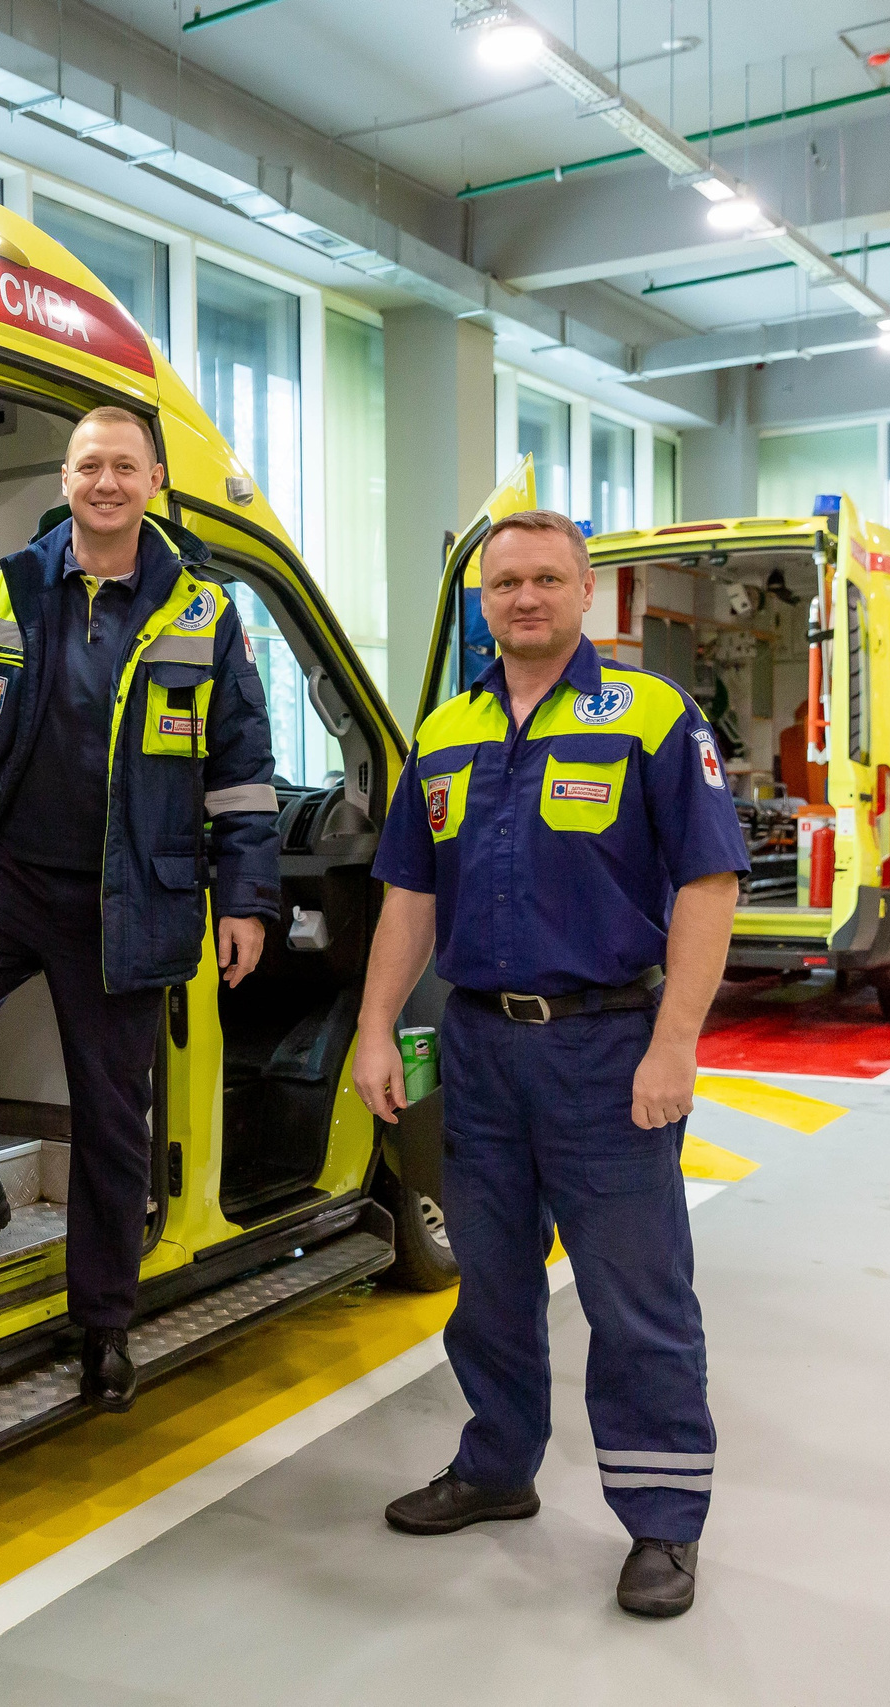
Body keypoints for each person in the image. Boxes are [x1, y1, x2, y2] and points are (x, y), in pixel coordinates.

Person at [349, 509, 746, 1619]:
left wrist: (675, 1046)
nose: (523, 597)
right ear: (483, 601)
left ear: (583, 595)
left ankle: (663, 1520)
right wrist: (377, 1028)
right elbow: (409, 897)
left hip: (607, 1046)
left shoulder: (652, 717)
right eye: (503, 582)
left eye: (544, 579)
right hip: (477, 1048)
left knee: (637, 1298)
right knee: (492, 1283)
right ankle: (494, 1468)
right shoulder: (443, 730)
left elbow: (709, 888)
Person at [0, 406, 280, 1412]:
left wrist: (246, 896)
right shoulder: (5, 596)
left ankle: (102, 1322)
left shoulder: (203, 611)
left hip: (132, 892)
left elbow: (240, 774)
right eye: (89, 465)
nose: (106, 481)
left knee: (112, 1122)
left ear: (154, 482)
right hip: (4, 876)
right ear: (64, 480)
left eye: (124, 467)